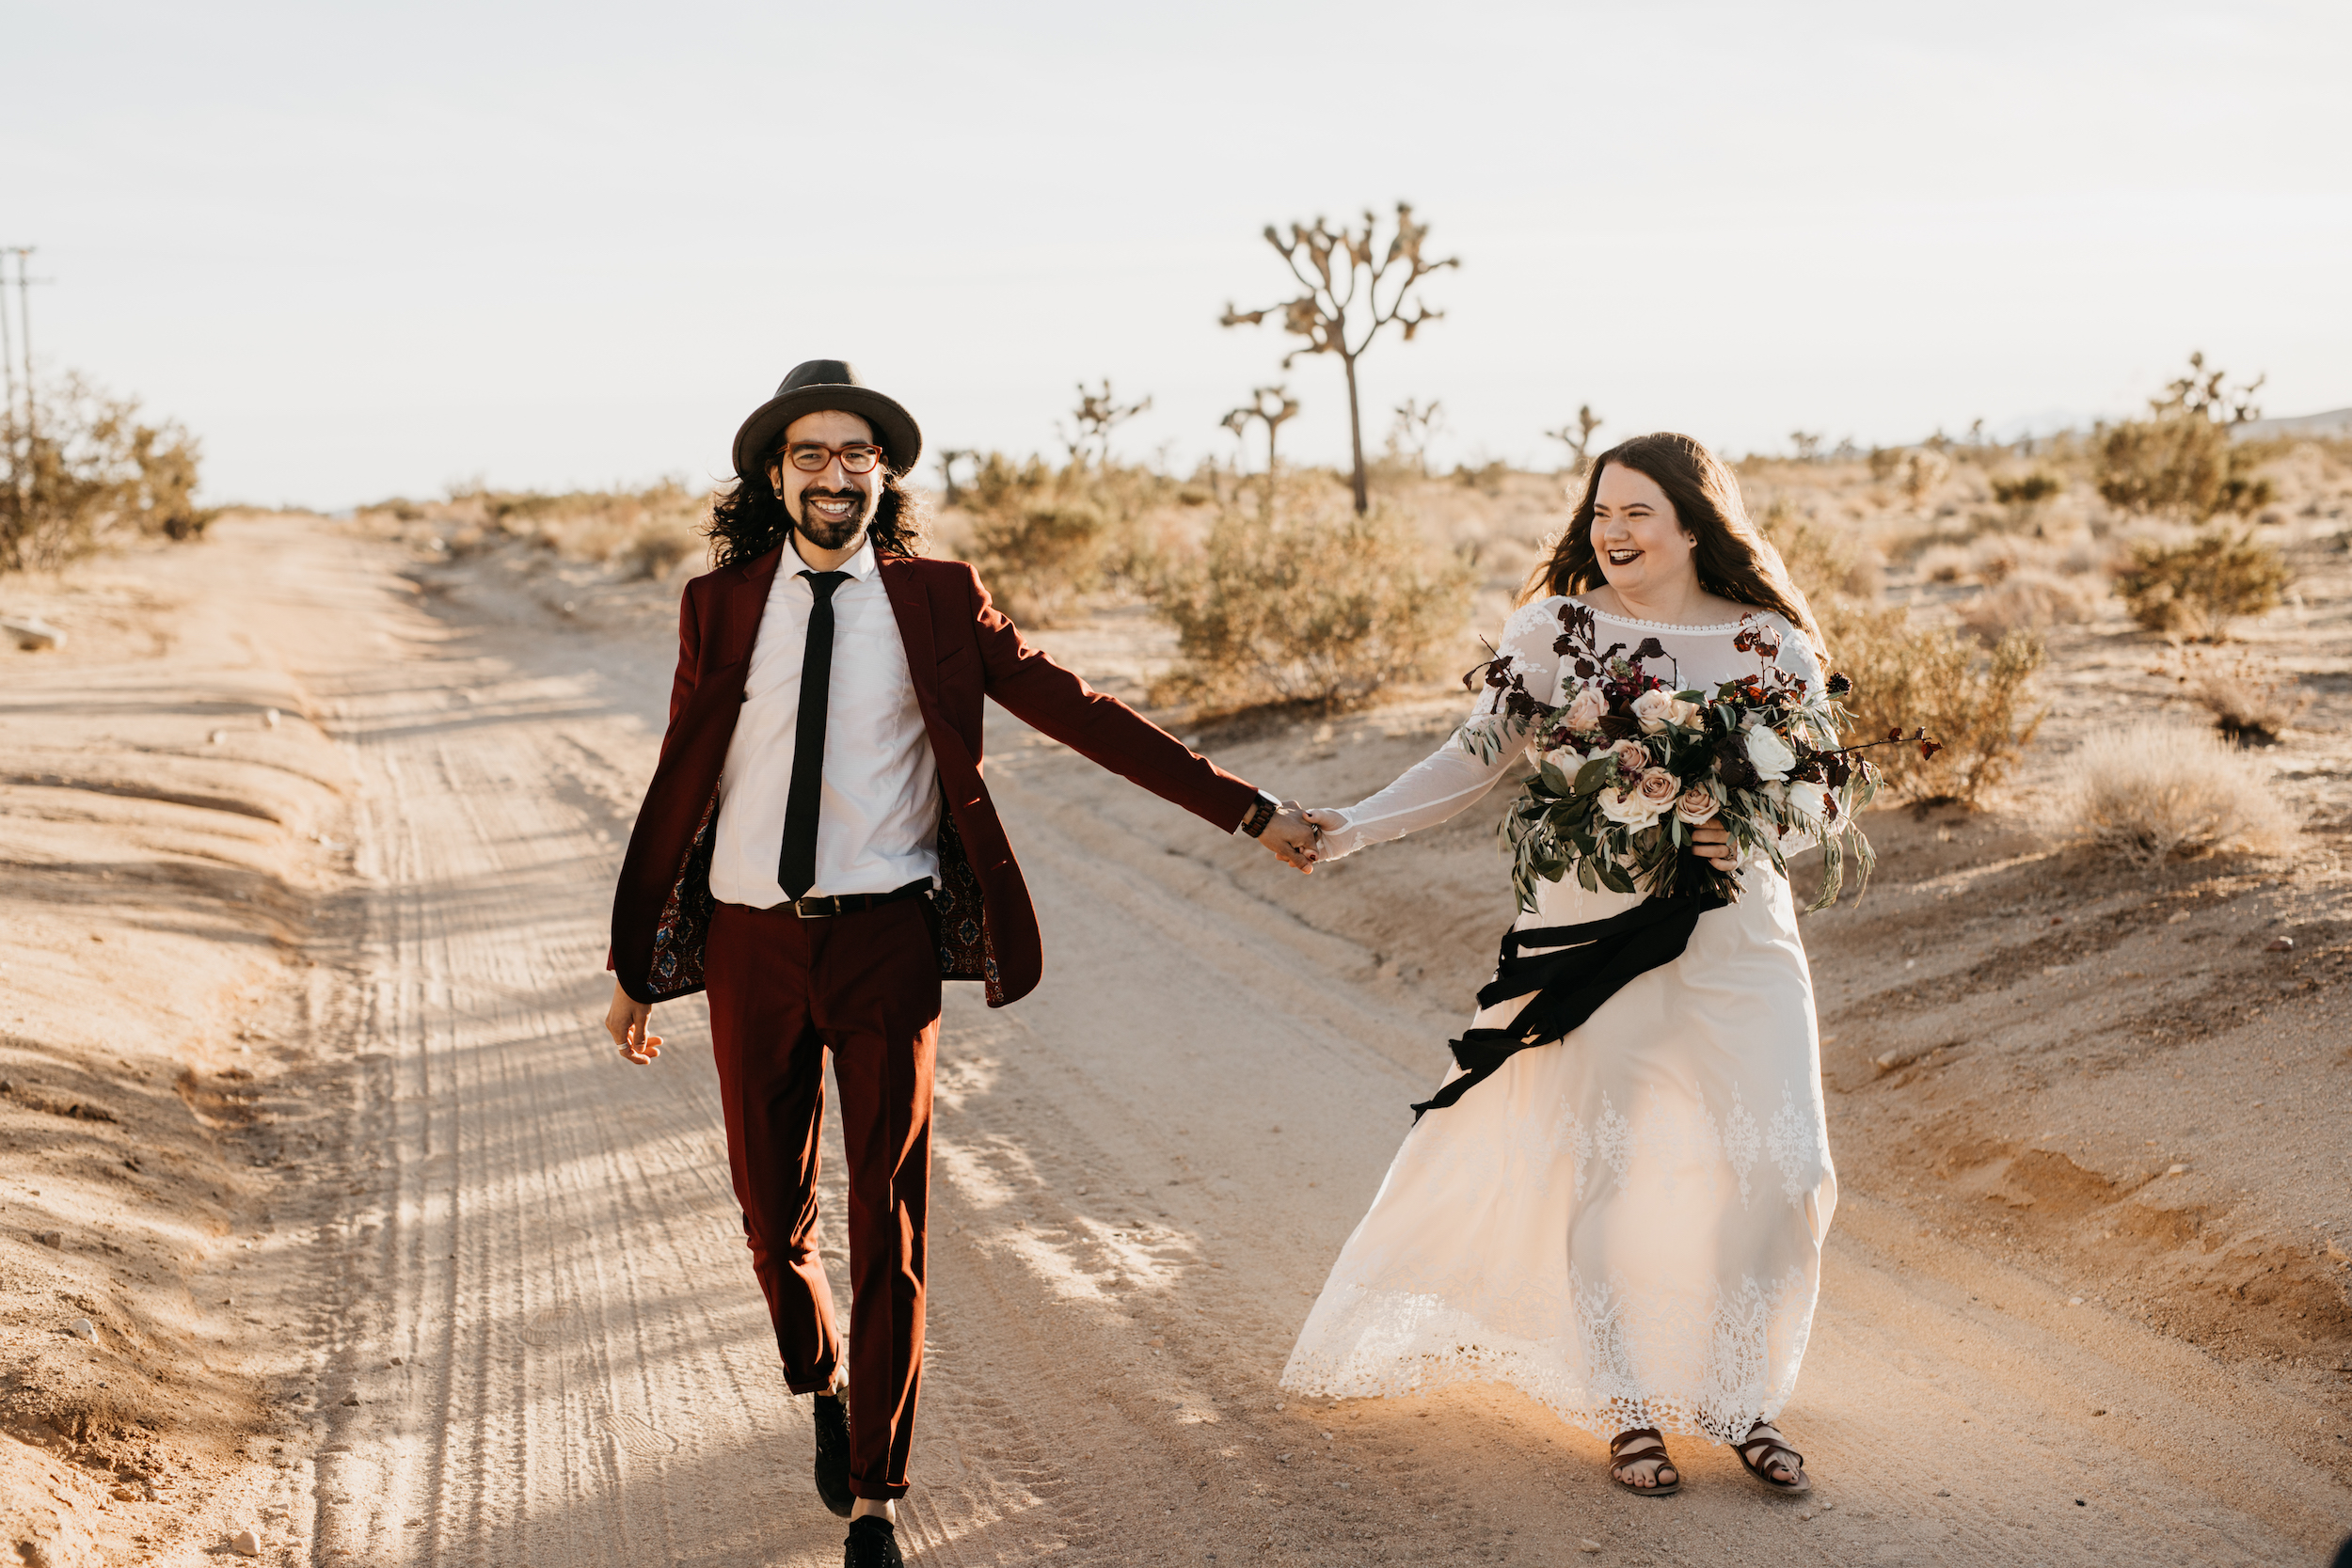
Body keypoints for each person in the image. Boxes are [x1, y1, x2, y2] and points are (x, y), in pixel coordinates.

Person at [602, 361, 1319, 1567]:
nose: (835, 475)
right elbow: (681, 772)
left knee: (889, 1212)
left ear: (883, 473)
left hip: (884, 938)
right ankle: (818, 1371)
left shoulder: (937, 600)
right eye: (810, 456)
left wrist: (1244, 808)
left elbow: (1079, 708)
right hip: (748, 942)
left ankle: (876, 1493)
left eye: (856, 455)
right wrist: (636, 959)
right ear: (773, 476)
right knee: (768, 1212)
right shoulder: (716, 605)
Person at [1282, 432, 1835, 1497]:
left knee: (1782, 1164)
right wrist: (1347, 826)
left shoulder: (1771, 642)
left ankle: (1738, 1395)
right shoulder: (1558, 630)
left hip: (1738, 931)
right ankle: (1625, 1403)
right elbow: (1472, 756)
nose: (1612, 531)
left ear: (1691, 521)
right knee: (1611, 1169)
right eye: (1600, 512)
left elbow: (1820, 793)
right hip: (1593, 927)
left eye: (1636, 512)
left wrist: (1756, 830)